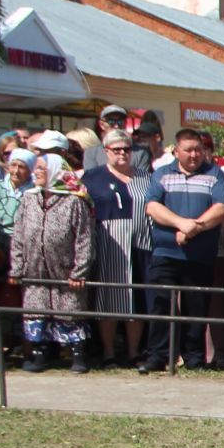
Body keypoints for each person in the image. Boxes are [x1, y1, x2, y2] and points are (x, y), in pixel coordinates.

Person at [142, 129, 224, 372]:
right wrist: (182, 224)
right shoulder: (161, 174)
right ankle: (157, 356)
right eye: (188, 150)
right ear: (176, 151)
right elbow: (152, 207)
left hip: (199, 255)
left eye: (198, 150)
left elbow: (221, 209)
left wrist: (194, 229)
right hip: (166, 253)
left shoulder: (215, 175)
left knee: (196, 306)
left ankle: (194, 358)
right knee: (161, 305)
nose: (194, 155)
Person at [11, 153, 94, 372]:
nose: (35, 172)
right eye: (36, 168)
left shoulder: (74, 201)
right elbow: (19, 235)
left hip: (65, 270)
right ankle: (40, 355)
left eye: (41, 168)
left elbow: (84, 239)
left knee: (70, 311)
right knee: (36, 311)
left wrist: (80, 272)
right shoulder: (29, 199)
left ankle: (78, 356)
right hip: (34, 270)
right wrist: (17, 267)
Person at [81, 130, 148, 367]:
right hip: (108, 242)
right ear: (106, 151)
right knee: (108, 298)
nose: (122, 154)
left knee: (136, 298)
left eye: (126, 149)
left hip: (141, 242)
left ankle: (134, 352)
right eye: (116, 149)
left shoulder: (145, 177)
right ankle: (109, 352)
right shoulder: (91, 177)